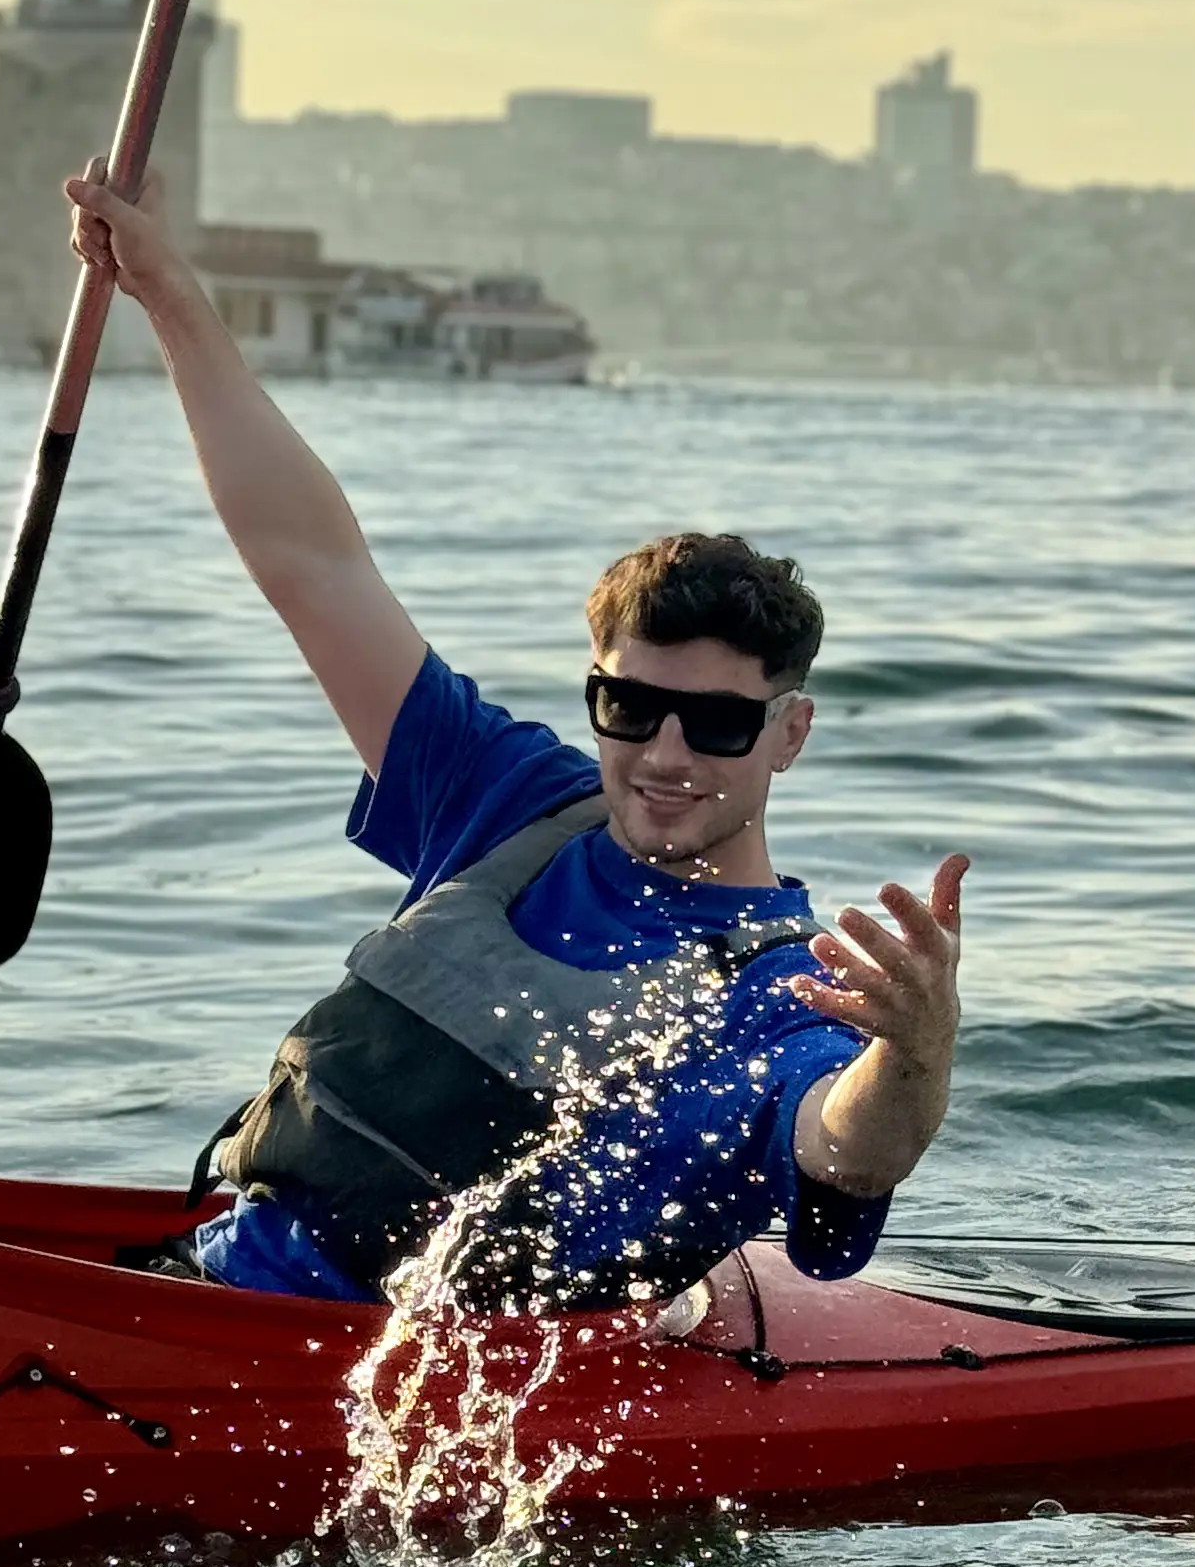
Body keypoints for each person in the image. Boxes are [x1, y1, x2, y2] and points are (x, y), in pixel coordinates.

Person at [67, 161, 969, 1309]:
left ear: (788, 735)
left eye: (721, 724)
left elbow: (847, 1148)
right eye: (630, 708)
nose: (666, 756)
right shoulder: (510, 800)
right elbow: (311, 565)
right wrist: (173, 298)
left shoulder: (784, 989)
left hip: (398, 1379)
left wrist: (917, 1052)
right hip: (211, 1286)